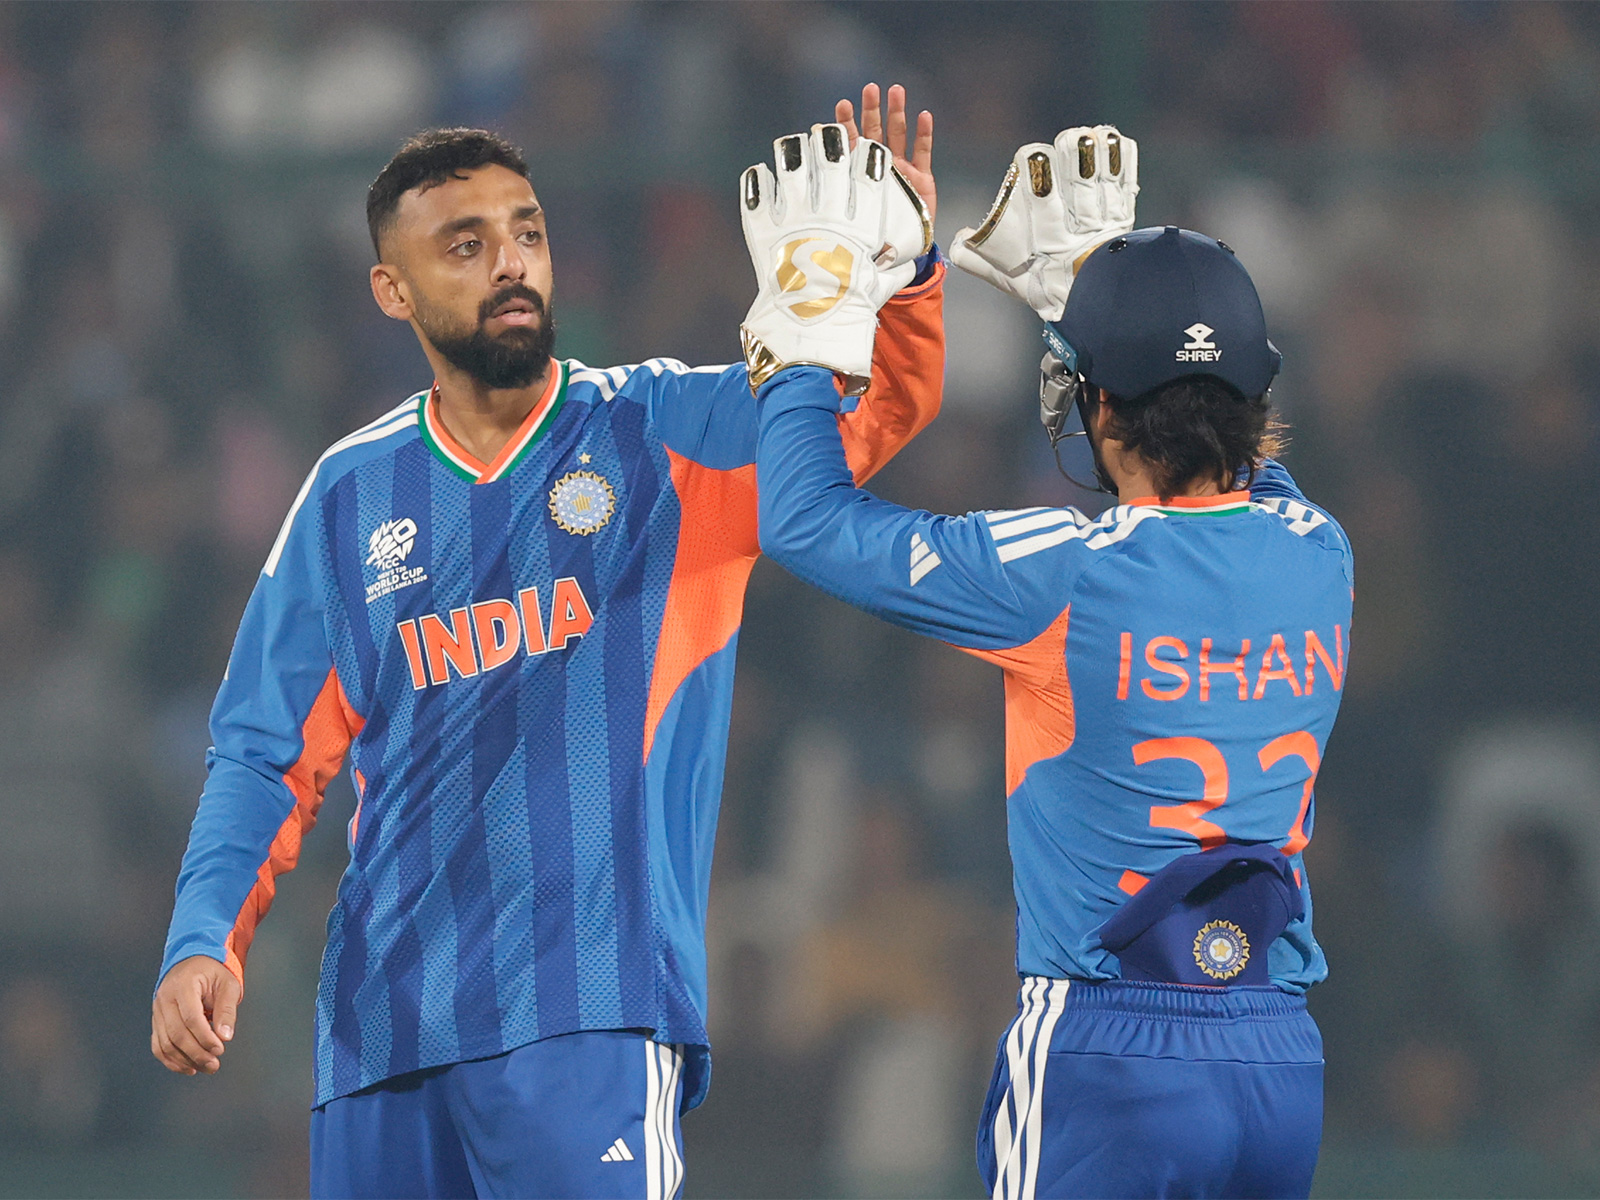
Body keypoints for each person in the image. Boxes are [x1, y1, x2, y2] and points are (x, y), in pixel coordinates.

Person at [151, 86, 944, 1200]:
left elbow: (860, 425)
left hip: (592, 1013)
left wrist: (904, 276)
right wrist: (204, 937)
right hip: (384, 1035)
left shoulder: (662, 432)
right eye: (465, 245)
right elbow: (263, 753)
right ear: (393, 289)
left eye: (527, 233)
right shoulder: (347, 494)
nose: (511, 262)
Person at [748, 126, 1351, 1198]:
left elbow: (800, 523)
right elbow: (1249, 458)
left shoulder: (1060, 575)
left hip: (1104, 1047)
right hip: (1275, 1057)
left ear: (1098, 405)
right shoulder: (1317, 552)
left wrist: (809, 334)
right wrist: (1093, 301)